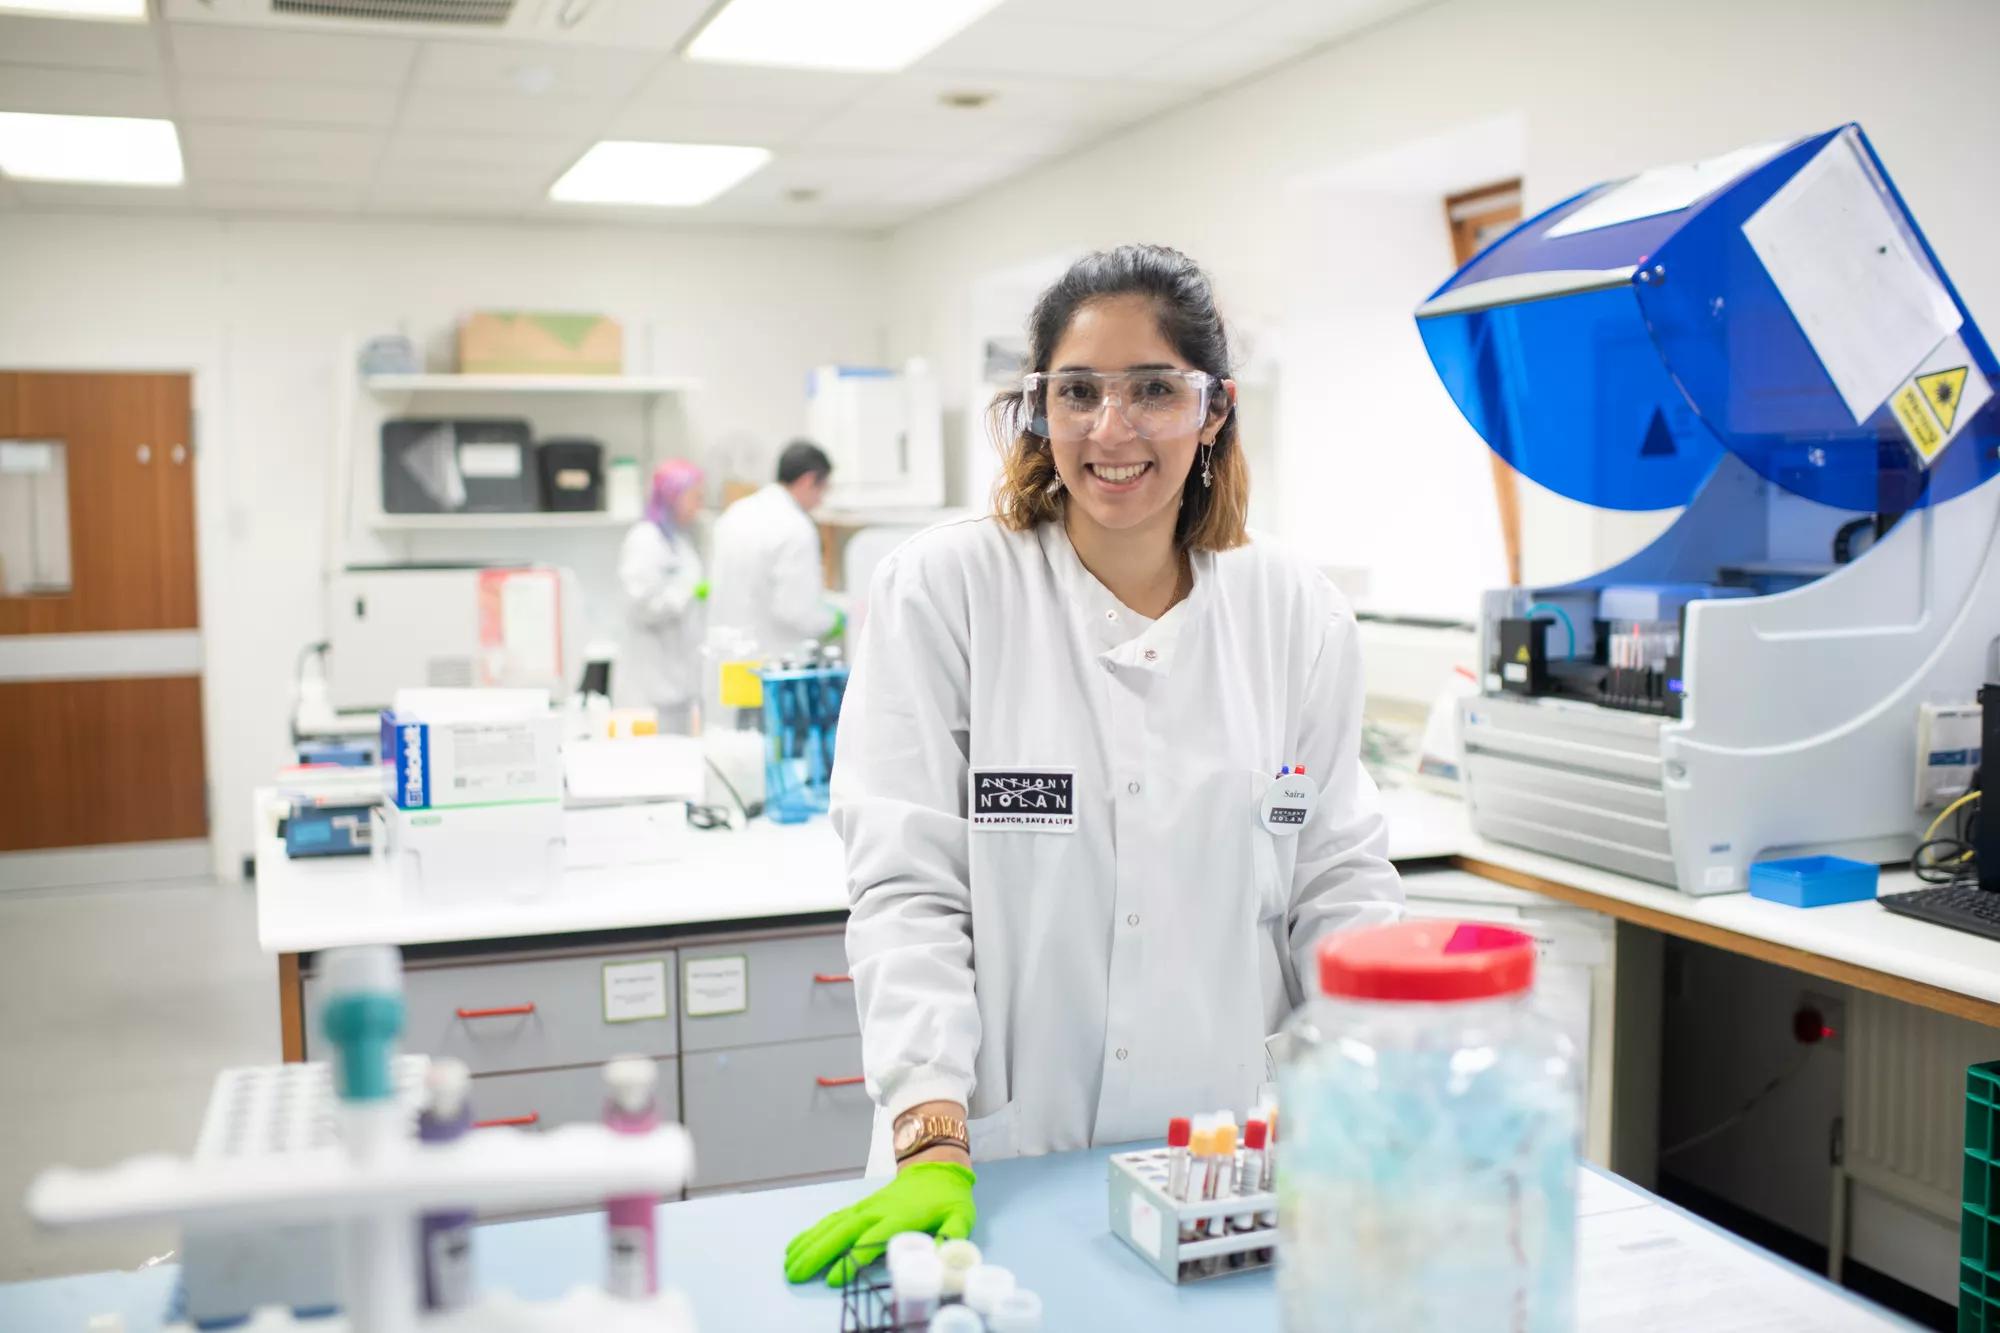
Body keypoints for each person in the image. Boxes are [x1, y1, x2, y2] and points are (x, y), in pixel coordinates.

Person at [783, 245, 1404, 1285]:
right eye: (1076, 391)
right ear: (1037, 409)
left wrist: (1371, 1095)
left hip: (1227, 1175)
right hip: (999, 1165)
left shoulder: (1293, 613)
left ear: (1212, 410)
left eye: (1154, 389)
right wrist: (930, 1133)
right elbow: (906, 885)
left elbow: (1336, 883)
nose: (1111, 430)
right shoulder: (944, 590)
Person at [707, 440, 840, 658]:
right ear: (808, 481)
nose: (821, 500)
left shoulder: (737, 512)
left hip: (729, 661)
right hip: (771, 661)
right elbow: (796, 610)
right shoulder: (796, 527)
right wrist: (831, 620)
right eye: (823, 489)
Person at [616, 460, 707, 732]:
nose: (698, 505)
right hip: (649, 683)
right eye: (695, 497)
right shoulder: (644, 540)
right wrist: (687, 593)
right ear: (672, 495)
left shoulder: (678, 541)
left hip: (677, 678)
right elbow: (643, 606)